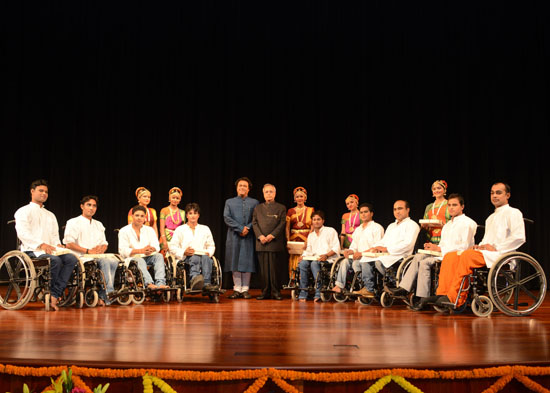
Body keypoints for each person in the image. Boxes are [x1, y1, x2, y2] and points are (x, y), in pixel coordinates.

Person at [435, 183, 525, 307]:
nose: (494, 196)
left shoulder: (513, 213)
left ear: (507, 195)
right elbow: (486, 240)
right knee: (451, 256)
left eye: (498, 193)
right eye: (492, 193)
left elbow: (519, 237)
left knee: (467, 256)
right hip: (487, 253)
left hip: (502, 254)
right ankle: (442, 294)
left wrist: (496, 248)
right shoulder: (490, 218)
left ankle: (455, 298)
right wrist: (479, 246)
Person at [387, 194, 477, 310]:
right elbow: (443, 244)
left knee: (425, 263)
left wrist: (439, 249)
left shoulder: (467, 223)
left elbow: (463, 247)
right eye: (449, 205)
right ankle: (405, 289)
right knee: (419, 256)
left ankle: (421, 298)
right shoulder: (448, 225)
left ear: (462, 207)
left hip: (456, 256)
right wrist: (434, 247)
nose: (451, 208)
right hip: (444, 253)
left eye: (454, 205)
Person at [14, 179, 78, 311]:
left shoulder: (50, 215)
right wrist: (41, 244)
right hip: (31, 249)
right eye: (41, 191)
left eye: (46, 192)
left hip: (50, 249)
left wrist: (58, 245)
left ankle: (55, 293)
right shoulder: (23, 211)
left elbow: (55, 236)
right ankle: (50, 292)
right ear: (32, 191)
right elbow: (23, 233)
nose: (44, 194)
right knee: (54, 260)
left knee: (71, 258)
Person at [353, 200, 420, 298]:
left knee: (378, 262)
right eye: (395, 209)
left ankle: (392, 284)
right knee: (364, 260)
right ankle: (369, 288)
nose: (397, 211)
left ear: (407, 210)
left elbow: (408, 244)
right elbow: (383, 241)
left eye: (400, 208)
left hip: (400, 255)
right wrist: (375, 247)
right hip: (387, 254)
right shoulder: (391, 226)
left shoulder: (412, 225)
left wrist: (387, 249)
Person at [63, 195, 120, 306]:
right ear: (82, 206)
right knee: (106, 261)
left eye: (94, 206)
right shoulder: (73, 222)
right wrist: (88, 251)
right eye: (88, 205)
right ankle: (108, 294)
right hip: (81, 256)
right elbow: (69, 243)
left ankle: (105, 294)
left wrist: (102, 248)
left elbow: (104, 243)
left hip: (97, 255)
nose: (91, 208)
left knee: (114, 260)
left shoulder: (98, 224)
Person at [331, 203, 384, 294]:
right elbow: (354, 246)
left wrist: (361, 253)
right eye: (361, 212)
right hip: (359, 256)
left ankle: (366, 286)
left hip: (371, 258)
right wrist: (349, 251)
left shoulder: (377, 228)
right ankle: (339, 285)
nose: (363, 214)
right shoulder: (358, 229)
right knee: (344, 261)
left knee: (357, 263)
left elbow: (376, 248)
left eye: (366, 212)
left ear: (371, 213)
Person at [223, 177, 259, 299]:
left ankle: (245, 289)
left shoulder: (254, 202)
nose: (242, 187)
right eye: (240, 186)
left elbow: (256, 218)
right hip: (234, 235)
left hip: (248, 235)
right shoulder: (229, 202)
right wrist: (239, 228)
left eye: (244, 186)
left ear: (248, 189)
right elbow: (227, 217)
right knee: (235, 261)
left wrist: (247, 228)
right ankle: (237, 288)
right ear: (237, 188)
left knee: (247, 261)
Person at [119, 205, 168, 290]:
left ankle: (160, 283)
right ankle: (149, 283)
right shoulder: (124, 230)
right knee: (139, 260)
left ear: (145, 218)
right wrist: (141, 251)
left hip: (147, 256)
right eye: (137, 215)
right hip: (132, 259)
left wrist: (151, 249)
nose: (139, 218)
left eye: (142, 216)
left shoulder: (149, 230)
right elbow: (123, 250)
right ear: (132, 216)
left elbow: (156, 246)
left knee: (159, 256)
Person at [170, 203, 216, 291]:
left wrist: (209, 252)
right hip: (187, 257)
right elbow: (172, 246)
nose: (193, 216)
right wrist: (183, 251)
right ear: (187, 215)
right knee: (195, 257)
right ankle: (195, 280)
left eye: (195, 213)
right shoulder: (180, 229)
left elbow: (211, 245)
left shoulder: (205, 229)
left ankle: (207, 283)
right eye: (190, 213)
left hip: (203, 255)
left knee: (207, 258)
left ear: (198, 215)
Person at [253, 184, 287, 300]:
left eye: (271, 192)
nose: (269, 194)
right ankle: (265, 292)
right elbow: (254, 223)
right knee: (263, 270)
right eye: (266, 192)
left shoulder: (281, 207)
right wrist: (260, 236)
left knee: (274, 269)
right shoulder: (258, 208)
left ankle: (276, 291)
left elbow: (282, 223)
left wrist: (272, 235)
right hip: (261, 242)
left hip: (274, 243)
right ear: (263, 194)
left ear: (275, 193)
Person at [298, 210, 340, 301]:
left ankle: (318, 291)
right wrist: (303, 256)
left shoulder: (330, 231)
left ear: (323, 221)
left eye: (318, 219)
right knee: (302, 263)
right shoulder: (311, 235)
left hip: (329, 258)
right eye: (314, 219)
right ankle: (303, 291)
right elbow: (309, 250)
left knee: (314, 263)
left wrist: (326, 255)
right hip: (315, 258)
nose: (316, 221)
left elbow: (336, 247)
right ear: (312, 222)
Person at [285, 186, 314, 280]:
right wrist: (287, 240)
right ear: (294, 198)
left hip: (306, 237)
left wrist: (309, 240)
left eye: (301, 196)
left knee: (305, 257)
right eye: (297, 196)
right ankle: (294, 280)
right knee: (293, 260)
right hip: (294, 238)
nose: (299, 198)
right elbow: (287, 227)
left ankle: (305, 280)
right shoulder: (290, 211)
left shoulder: (310, 210)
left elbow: (313, 227)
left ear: (305, 198)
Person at [421, 180, 451, 245]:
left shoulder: (449, 204)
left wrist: (444, 226)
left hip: (446, 239)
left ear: (444, 190)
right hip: (430, 240)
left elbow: (454, 223)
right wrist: (424, 226)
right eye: (434, 189)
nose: (436, 190)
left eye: (439, 188)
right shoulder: (429, 207)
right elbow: (425, 223)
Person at [159, 187, 186, 251]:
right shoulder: (164, 210)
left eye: (177, 198)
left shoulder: (183, 212)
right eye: (173, 197)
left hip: (178, 238)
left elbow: (183, 229)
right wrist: (164, 240)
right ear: (169, 198)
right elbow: (161, 228)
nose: (175, 200)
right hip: (166, 237)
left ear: (180, 200)